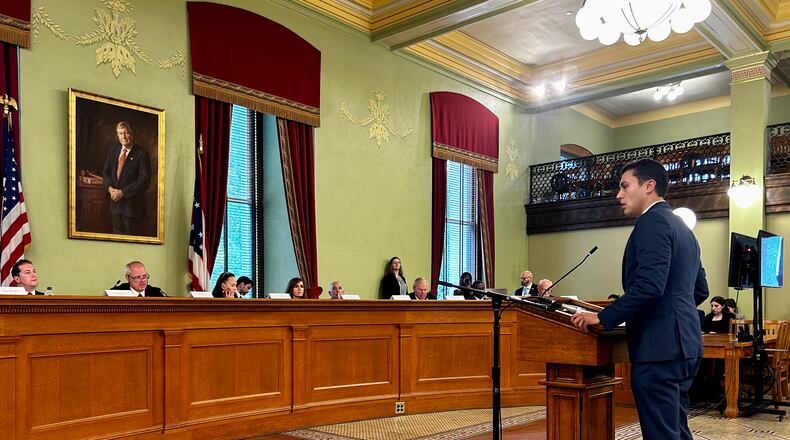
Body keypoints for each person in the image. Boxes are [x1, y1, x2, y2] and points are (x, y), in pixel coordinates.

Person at [571, 158, 709, 440]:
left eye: (624, 186)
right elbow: (700, 290)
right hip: (685, 345)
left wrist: (602, 316)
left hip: (659, 349)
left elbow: (649, 286)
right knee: (675, 430)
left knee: (661, 434)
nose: (618, 195)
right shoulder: (683, 229)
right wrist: (671, 313)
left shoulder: (651, 222)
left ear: (649, 186)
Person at [102, 121, 152, 235]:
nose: (123, 136)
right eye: (120, 133)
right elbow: (106, 172)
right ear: (117, 135)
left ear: (132, 134)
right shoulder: (113, 150)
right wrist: (110, 189)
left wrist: (123, 192)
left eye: (126, 133)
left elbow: (144, 180)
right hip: (115, 209)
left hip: (132, 211)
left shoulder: (142, 153)